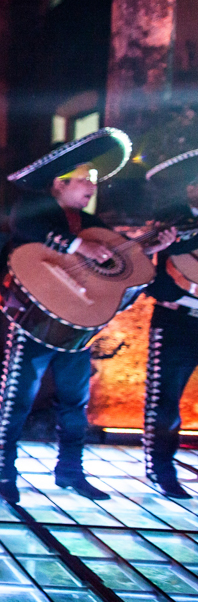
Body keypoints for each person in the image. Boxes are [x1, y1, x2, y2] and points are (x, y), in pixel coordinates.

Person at [0, 129, 175, 504]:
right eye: (85, 179)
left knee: (76, 401)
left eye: (94, 180)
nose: (93, 186)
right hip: (36, 321)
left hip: (77, 327)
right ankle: (5, 471)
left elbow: (121, 260)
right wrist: (78, 246)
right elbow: (25, 229)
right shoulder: (34, 207)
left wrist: (151, 246)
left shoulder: (95, 224)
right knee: (17, 397)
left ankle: (70, 471)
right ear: (59, 184)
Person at [142, 151, 198, 499]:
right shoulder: (170, 223)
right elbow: (148, 275)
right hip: (177, 322)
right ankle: (161, 468)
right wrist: (180, 296)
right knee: (165, 401)